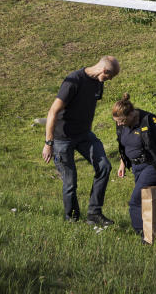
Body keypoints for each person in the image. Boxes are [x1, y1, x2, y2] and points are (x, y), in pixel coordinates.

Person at [41, 55, 119, 226]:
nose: (108, 80)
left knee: (104, 166)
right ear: (104, 70)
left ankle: (94, 214)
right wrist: (49, 143)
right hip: (62, 138)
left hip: (84, 135)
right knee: (70, 182)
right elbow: (53, 111)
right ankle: (72, 220)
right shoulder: (73, 81)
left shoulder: (99, 82)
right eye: (109, 76)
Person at [112, 93, 156, 239]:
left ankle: (144, 236)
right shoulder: (121, 124)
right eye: (117, 121)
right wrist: (123, 163)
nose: (119, 124)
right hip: (136, 167)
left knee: (136, 201)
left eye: (121, 121)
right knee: (148, 202)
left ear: (131, 114)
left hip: (153, 165)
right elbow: (124, 145)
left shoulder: (151, 121)